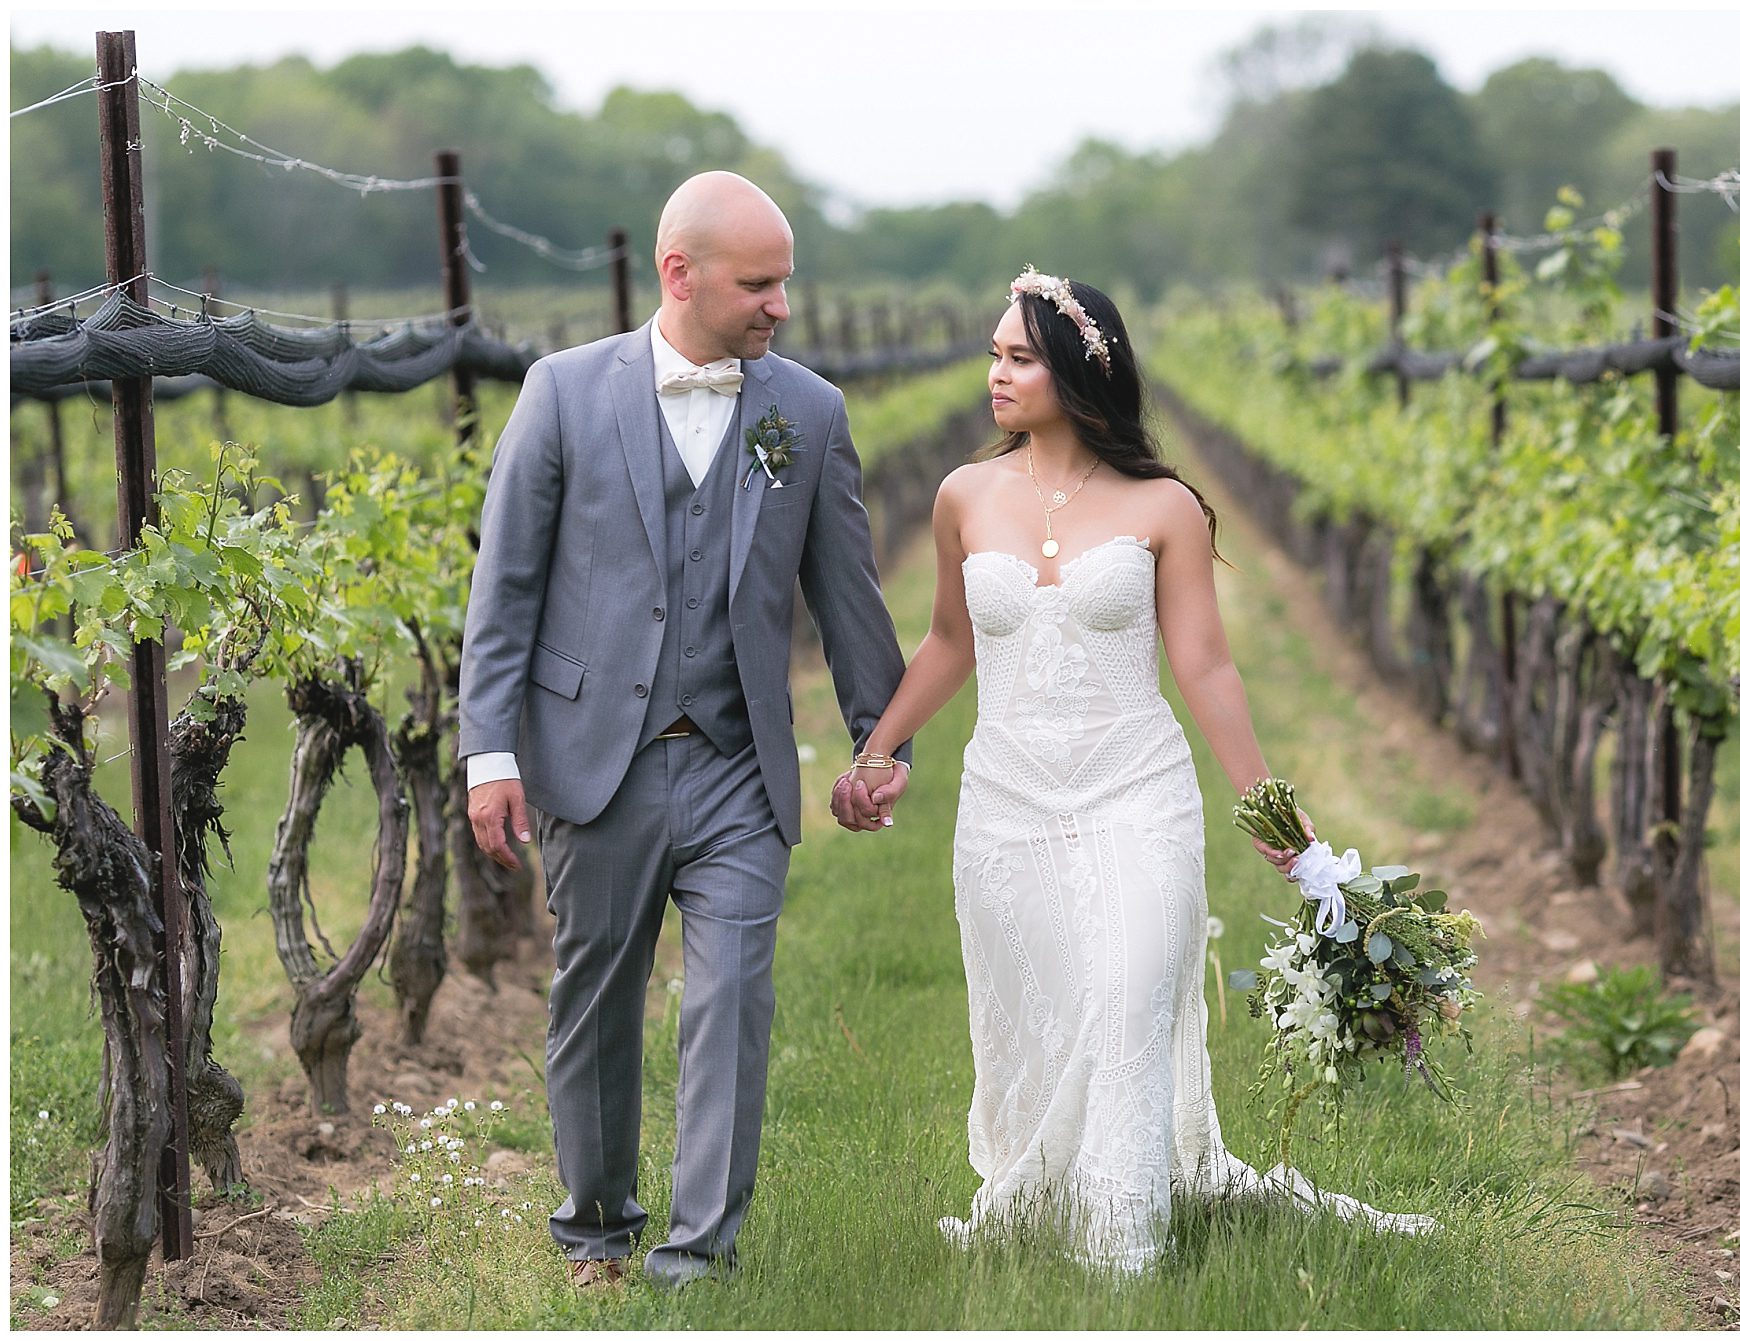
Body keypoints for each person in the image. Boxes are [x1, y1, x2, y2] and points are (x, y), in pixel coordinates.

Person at [831, 267, 1432, 1272]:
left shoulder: (1164, 506)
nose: (995, 374)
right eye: (993, 354)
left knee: (1126, 998)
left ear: (1079, 371)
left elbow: (1206, 667)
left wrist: (1278, 820)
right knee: (1048, 1019)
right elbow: (947, 640)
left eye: (1019, 358)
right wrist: (878, 748)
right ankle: (1053, 1196)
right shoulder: (962, 496)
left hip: (1136, 793)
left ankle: (1123, 1248)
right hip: (1008, 801)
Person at [459, 171, 909, 1290]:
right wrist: (491, 753)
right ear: (679, 273)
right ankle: (596, 1229)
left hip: (739, 766)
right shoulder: (562, 393)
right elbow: (504, 588)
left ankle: (697, 1255)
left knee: (731, 997)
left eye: (784, 283)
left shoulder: (807, 411)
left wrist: (880, 743)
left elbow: (848, 596)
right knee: (596, 999)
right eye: (758, 285)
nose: (780, 306)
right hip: (593, 762)